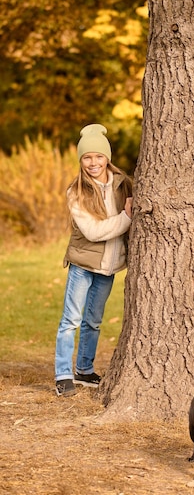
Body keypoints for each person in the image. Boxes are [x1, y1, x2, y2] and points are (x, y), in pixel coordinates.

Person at [55, 124, 133, 397]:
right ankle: (63, 373)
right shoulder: (76, 192)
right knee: (71, 320)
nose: (93, 163)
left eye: (98, 157)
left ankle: (84, 370)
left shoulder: (123, 184)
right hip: (83, 265)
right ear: (81, 161)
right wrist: (126, 218)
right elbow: (93, 232)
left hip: (108, 266)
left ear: (107, 158)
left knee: (94, 320)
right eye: (87, 158)